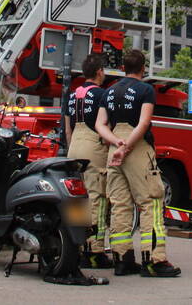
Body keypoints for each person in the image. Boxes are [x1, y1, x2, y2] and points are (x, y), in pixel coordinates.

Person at [95, 49, 180, 278]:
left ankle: (122, 259)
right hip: (136, 147)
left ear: (123, 68)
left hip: (114, 145)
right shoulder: (145, 90)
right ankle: (154, 260)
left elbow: (100, 125)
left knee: (120, 205)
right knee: (150, 202)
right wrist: (127, 148)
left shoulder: (109, 91)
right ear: (143, 68)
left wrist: (116, 144)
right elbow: (144, 123)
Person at [65, 53, 113, 269]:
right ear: (99, 72)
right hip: (94, 147)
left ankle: (76, 244)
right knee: (97, 199)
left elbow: (68, 129)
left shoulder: (72, 95)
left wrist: (70, 148)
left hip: (74, 146)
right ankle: (95, 251)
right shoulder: (103, 95)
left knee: (76, 199)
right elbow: (105, 126)